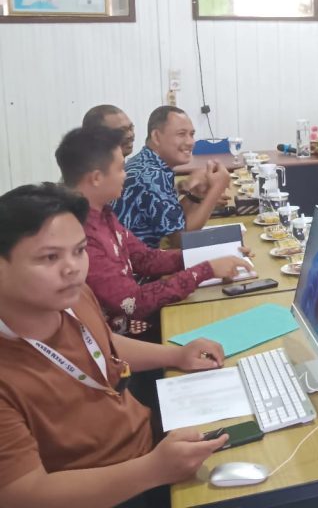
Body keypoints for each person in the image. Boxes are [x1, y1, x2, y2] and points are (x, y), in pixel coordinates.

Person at [0, 182, 230, 507]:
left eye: (79, 251)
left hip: (148, 447)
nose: (72, 268)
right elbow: (23, 493)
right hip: (104, 492)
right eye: (50, 257)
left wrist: (177, 354)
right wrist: (152, 471)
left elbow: (106, 346)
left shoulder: (74, 297)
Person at [56, 126, 254, 335]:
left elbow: (146, 259)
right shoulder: (80, 233)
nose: (127, 175)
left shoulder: (102, 212)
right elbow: (132, 304)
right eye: (121, 169)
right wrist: (206, 270)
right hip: (124, 337)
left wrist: (217, 255)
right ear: (96, 178)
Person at [113, 106, 230, 247]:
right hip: (135, 265)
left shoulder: (149, 163)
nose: (190, 142)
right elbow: (181, 240)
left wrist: (196, 194)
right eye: (181, 134)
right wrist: (216, 188)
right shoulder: (149, 175)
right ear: (156, 136)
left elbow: (174, 220)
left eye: (192, 134)